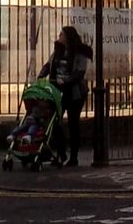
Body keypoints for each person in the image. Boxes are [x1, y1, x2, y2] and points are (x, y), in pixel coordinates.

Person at [36, 25, 91, 165]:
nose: (59, 36)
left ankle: (74, 157)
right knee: (54, 121)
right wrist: (42, 74)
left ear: (68, 37)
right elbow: (49, 65)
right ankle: (60, 153)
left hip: (74, 93)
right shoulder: (58, 51)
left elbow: (79, 73)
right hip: (56, 91)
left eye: (62, 34)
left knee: (73, 123)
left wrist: (66, 81)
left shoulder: (80, 53)